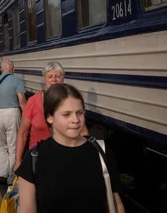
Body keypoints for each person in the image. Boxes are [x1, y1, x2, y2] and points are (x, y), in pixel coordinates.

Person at [16, 83, 125, 213]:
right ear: (50, 117)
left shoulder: (102, 152)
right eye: (66, 114)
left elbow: (115, 203)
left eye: (79, 113)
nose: (76, 120)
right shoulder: (33, 159)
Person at [14, 61, 89, 171]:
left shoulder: (70, 102)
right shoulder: (33, 101)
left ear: (63, 79)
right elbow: (22, 133)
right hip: (38, 159)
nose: (54, 79)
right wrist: (18, 161)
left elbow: (83, 132)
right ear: (44, 79)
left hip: (65, 157)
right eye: (50, 76)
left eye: (58, 76)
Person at [0, 59, 26, 185]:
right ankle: (12, 175)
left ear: (2, 69)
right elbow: (22, 101)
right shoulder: (17, 81)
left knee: (0, 146)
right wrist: (27, 116)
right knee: (13, 145)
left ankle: (1, 174)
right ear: (13, 69)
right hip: (12, 113)